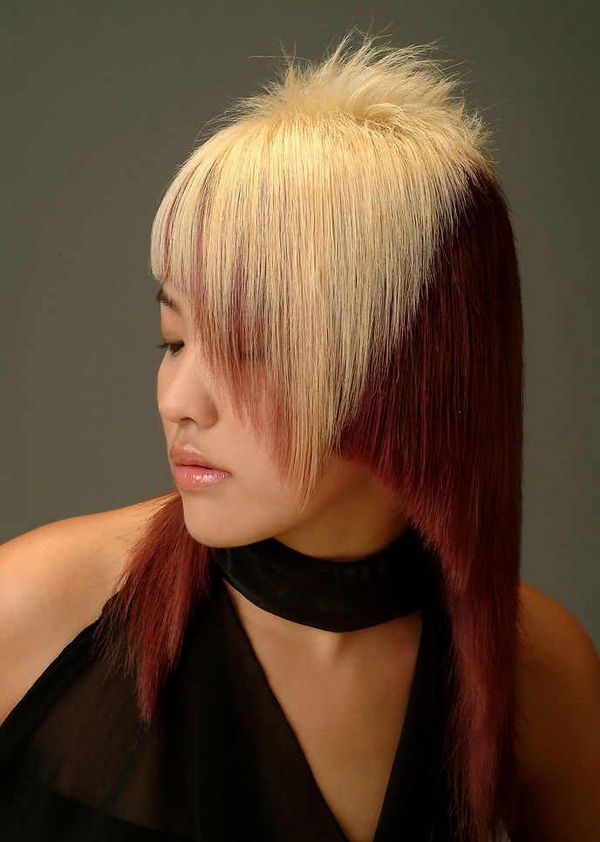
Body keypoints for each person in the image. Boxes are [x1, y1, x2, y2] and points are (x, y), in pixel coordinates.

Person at [1, 27, 599, 842]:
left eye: (249, 349)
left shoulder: (540, 673)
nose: (179, 400)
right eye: (173, 340)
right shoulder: (33, 612)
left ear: (405, 365)